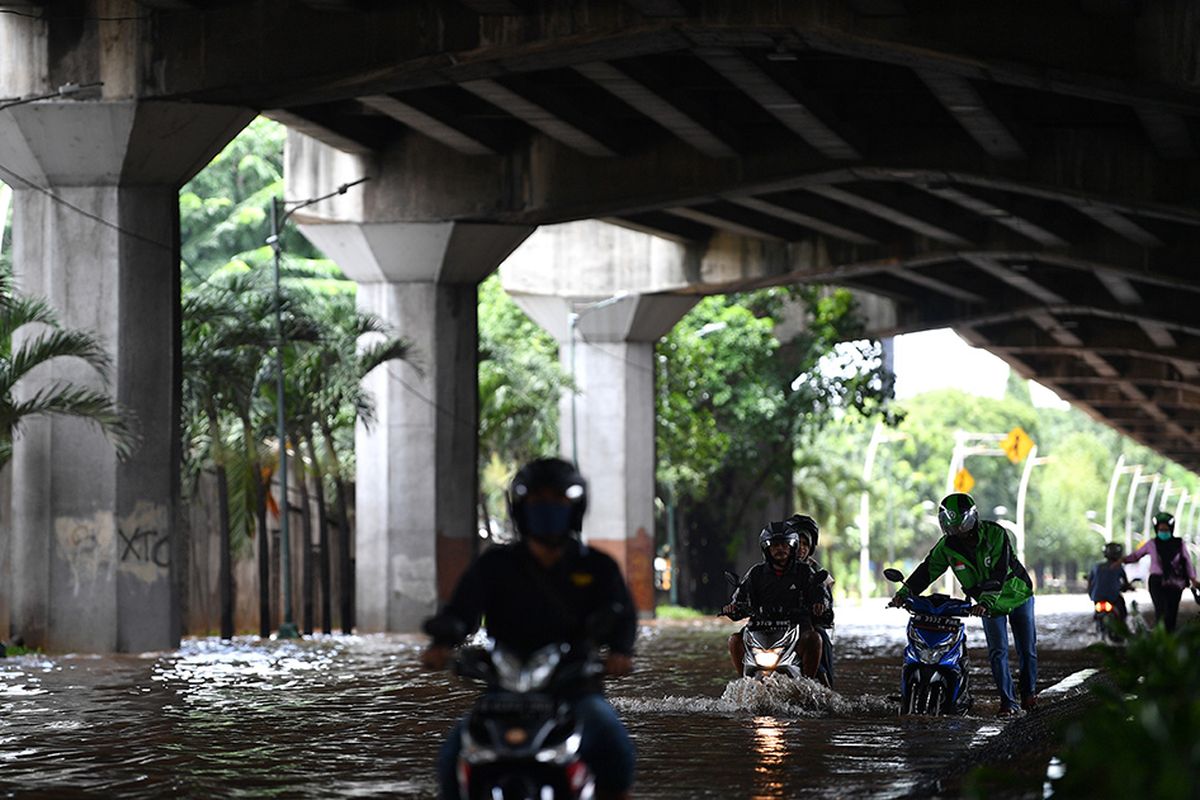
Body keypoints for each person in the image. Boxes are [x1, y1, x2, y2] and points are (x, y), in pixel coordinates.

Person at [420, 457, 637, 800]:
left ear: (574, 507)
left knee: (614, 747)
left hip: (575, 691)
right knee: (451, 757)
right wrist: (441, 644)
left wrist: (621, 653)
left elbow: (622, 616)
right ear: (522, 507)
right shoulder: (494, 565)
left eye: (557, 501)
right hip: (503, 693)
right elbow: (461, 612)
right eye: (538, 501)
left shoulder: (597, 567)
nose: (548, 509)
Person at [888, 492, 1037, 716]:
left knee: (1027, 650)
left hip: (1018, 595)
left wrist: (985, 601)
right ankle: (1008, 703)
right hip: (988, 605)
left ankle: (1029, 694)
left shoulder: (996, 534)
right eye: (953, 529)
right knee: (998, 652)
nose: (959, 535)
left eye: (962, 529)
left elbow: (999, 572)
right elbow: (927, 570)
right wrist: (904, 593)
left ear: (972, 520)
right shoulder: (947, 546)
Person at [722, 515, 830, 682]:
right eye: (775, 545)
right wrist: (733, 608)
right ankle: (744, 683)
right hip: (759, 629)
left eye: (784, 545)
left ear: (791, 546)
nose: (780, 549)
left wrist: (820, 605)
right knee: (734, 640)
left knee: (815, 639)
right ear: (767, 549)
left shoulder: (805, 572)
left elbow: (820, 595)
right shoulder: (755, 573)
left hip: (797, 631)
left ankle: (809, 686)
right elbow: (739, 598)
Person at [1122, 511, 1200, 633]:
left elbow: (1187, 561)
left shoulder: (1179, 544)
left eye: (1165, 529)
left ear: (1171, 529)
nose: (1163, 532)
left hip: (1175, 583)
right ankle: (1161, 638)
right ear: (1156, 530)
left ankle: (1170, 637)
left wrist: (1193, 579)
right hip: (1156, 582)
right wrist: (1121, 560)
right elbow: (1136, 556)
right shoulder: (1151, 544)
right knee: (1160, 610)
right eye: (1160, 529)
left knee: (1172, 611)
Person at [1087, 542, 1131, 622]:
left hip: (1097, 597)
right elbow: (1126, 583)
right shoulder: (1118, 567)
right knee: (1122, 614)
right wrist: (1128, 587)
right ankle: (1122, 630)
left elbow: (1090, 582)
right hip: (1113, 597)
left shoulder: (1096, 566)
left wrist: (1091, 594)